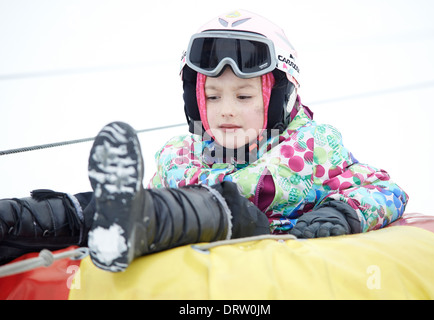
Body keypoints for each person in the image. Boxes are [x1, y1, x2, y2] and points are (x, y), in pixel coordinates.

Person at [0, 10, 408, 272]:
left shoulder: (311, 149)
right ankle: (22, 221)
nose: (225, 109)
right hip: (166, 224)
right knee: (106, 206)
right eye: (212, 97)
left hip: (256, 236)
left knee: (222, 204)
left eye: (244, 96)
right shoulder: (180, 155)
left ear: (281, 99)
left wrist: (340, 213)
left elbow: (384, 189)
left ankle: (133, 224)